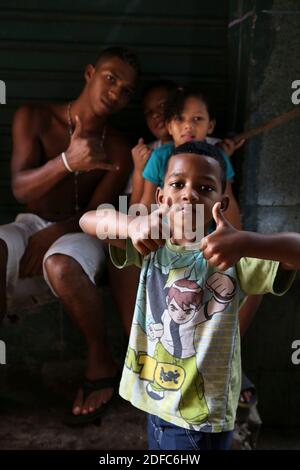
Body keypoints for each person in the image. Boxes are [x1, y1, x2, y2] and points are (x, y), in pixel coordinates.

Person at [80, 141, 298, 450]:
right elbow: (89, 220)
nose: (189, 193)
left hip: (198, 416)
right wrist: (133, 224)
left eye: (205, 187)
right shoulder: (150, 243)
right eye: (178, 183)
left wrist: (247, 242)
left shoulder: (233, 255)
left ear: (220, 203)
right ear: (162, 197)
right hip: (157, 400)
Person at [0, 46, 140, 425]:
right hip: (31, 219)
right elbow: (20, 188)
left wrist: (55, 235)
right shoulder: (34, 116)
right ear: (90, 72)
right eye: (110, 78)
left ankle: (100, 361)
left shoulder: (118, 147)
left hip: (80, 227)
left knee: (60, 264)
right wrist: (67, 162)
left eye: (126, 90)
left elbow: (95, 214)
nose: (116, 92)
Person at [135, 86, 244, 229]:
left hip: (205, 235)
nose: (188, 125)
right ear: (169, 126)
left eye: (197, 119)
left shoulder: (219, 158)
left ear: (210, 125)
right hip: (168, 234)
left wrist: (236, 241)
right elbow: (147, 203)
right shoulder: (159, 157)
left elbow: (229, 203)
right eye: (179, 119)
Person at [129, 80, 177, 204]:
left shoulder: (212, 148)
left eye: (162, 105)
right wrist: (139, 170)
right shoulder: (145, 154)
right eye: (149, 112)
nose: (155, 115)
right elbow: (133, 212)